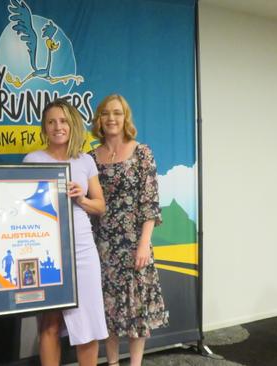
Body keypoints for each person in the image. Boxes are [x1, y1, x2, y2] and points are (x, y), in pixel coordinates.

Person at [23, 99, 108, 366]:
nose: (57, 126)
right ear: (44, 127)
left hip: (82, 247)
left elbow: (100, 205)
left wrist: (80, 198)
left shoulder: (85, 161)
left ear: (73, 125)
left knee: (89, 325)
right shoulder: (33, 159)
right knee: (49, 322)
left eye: (63, 121)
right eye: (51, 121)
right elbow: (24, 206)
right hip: (46, 247)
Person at [89, 94, 169, 366]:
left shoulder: (142, 152)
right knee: (107, 307)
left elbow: (150, 200)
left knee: (136, 308)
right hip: (102, 243)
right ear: (99, 119)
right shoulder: (91, 158)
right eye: (106, 113)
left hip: (136, 242)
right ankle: (112, 363)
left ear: (125, 119)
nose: (111, 118)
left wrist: (145, 243)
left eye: (117, 113)